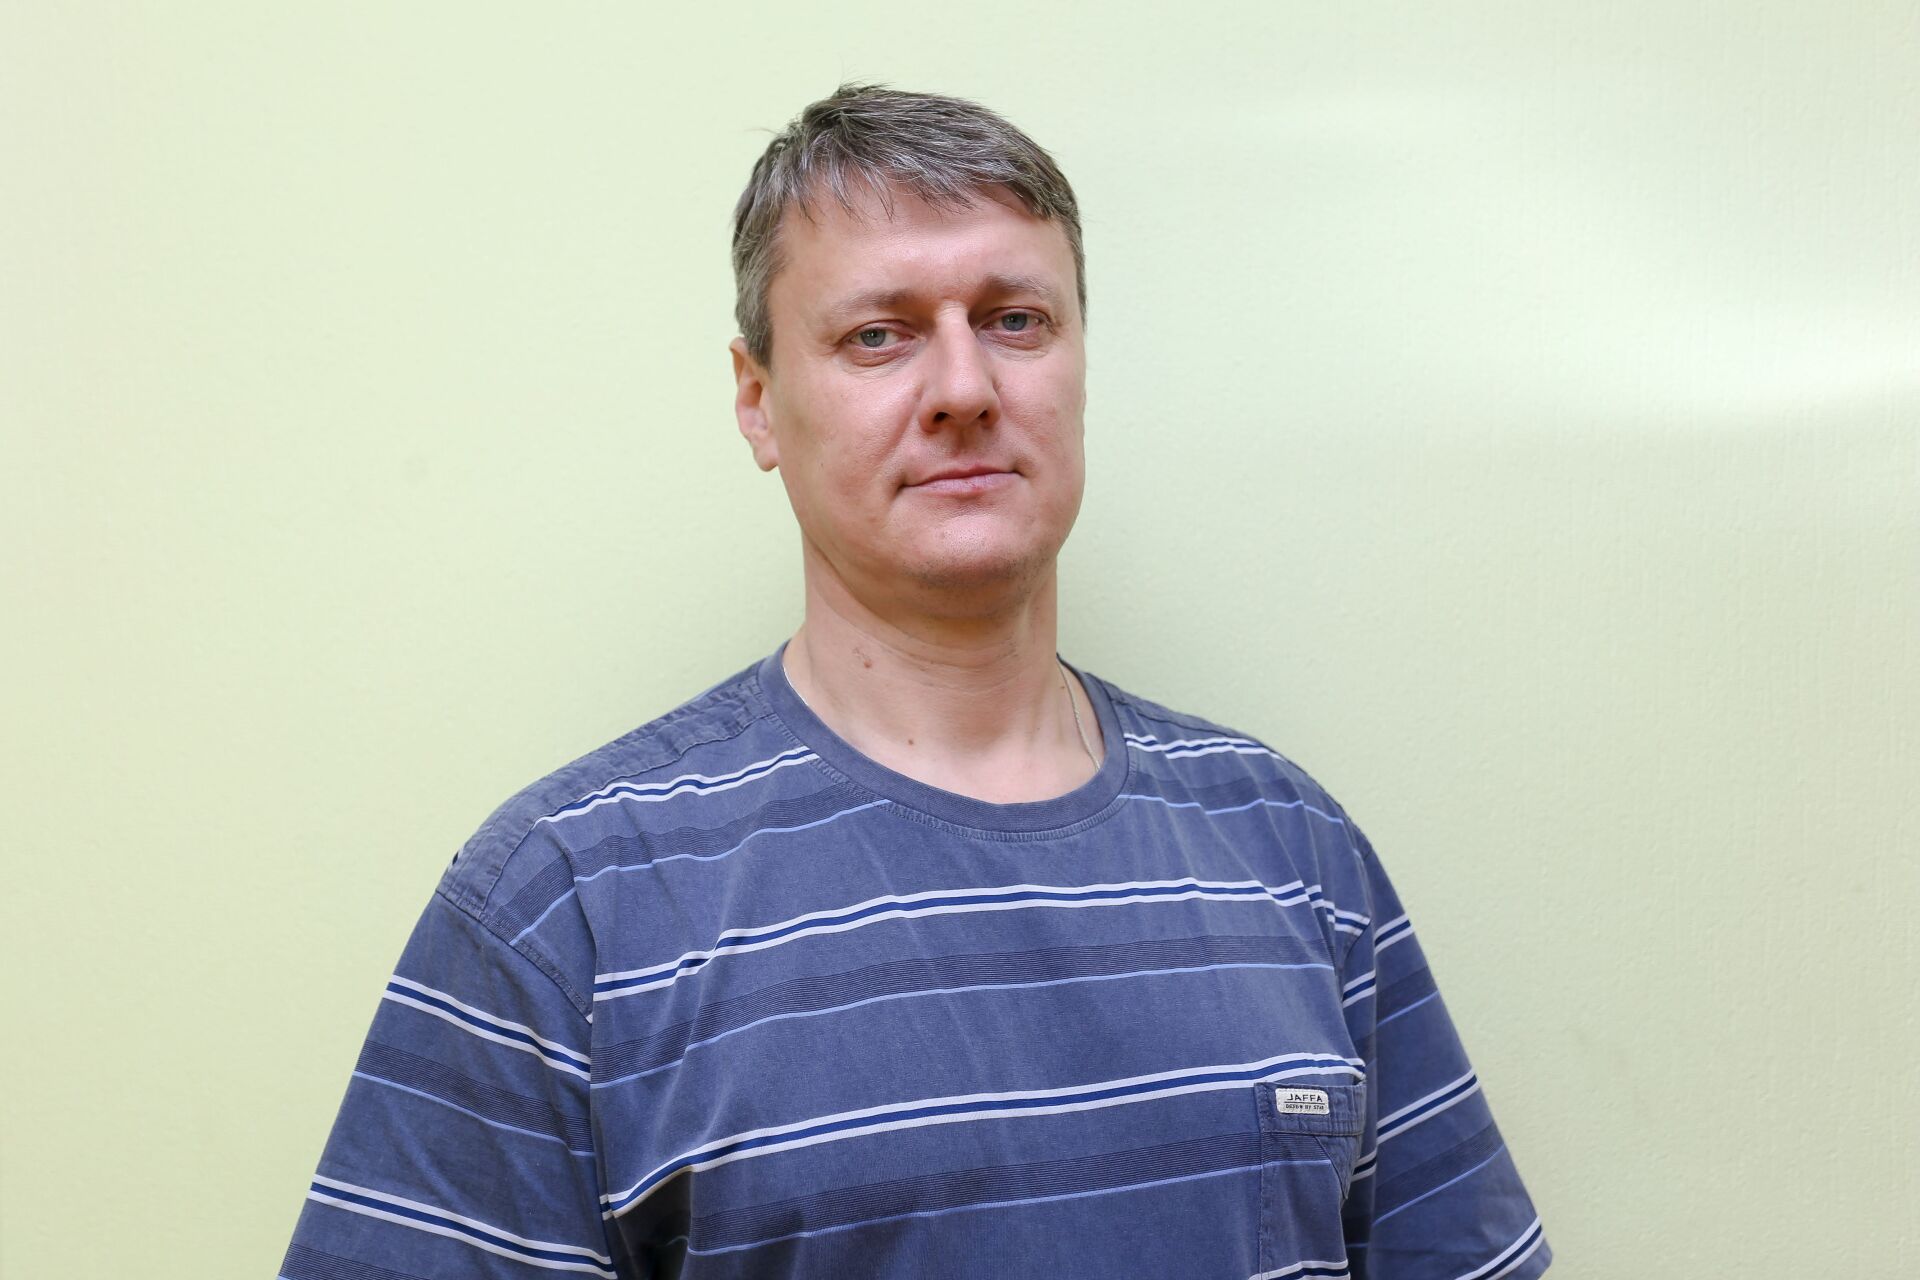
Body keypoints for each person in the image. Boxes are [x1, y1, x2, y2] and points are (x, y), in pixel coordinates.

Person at [280, 83, 1550, 1280]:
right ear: (758, 400)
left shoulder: (1289, 843)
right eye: (878, 335)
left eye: (1015, 320)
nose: (963, 389)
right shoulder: (572, 901)